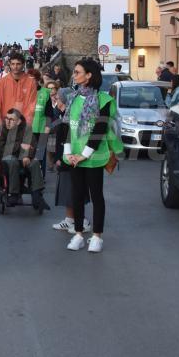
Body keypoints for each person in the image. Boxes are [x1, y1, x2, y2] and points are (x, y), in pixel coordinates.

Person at [63, 59, 123, 253]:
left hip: (95, 156)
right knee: (77, 195)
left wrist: (83, 155)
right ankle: (79, 234)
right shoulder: (72, 98)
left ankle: (97, 236)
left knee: (97, 196)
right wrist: (69, 153)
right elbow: (67, 127)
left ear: (89, 75)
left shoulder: (104, 100)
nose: (74, 74)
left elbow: (100, 129)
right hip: (74, 156)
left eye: (78, 72)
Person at [50, 88, 90, 232]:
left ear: (65, 100)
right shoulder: (62, 114)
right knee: (67, 190)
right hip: (65, 157)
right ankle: (69, 219)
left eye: (58, 97)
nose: (55, 99)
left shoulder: (72, 116)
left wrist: (62, 157)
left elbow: (71, 140)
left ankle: (83, 222)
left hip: (73, 158)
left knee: (75, 190)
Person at [0, 109, 47, 209]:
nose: (8, 121)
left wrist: (27, 156)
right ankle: (14, 194)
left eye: (11, 119)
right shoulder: (0, 129)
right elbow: (1, 148)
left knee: (35, 163)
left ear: (19, 121)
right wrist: (20, 145)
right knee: (13, 161)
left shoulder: (27, 128)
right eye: (7, 118)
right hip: (7, 157)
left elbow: (33, 146)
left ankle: (37, 195)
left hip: (24, 157)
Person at [0, 51, 38, 131]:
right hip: (5, 124)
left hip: (23, 125)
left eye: (18, 64)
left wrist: (27, 123)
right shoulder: (1, 82)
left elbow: (32, 105)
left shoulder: (31, 82)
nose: (15, 67)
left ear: (23, 65)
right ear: (9, 64)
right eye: (13, 64)